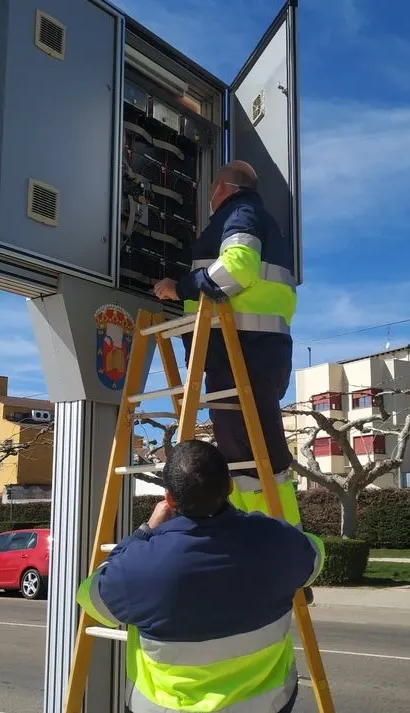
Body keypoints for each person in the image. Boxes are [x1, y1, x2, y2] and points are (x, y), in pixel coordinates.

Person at [76, 439, 325, 713]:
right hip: (267, 703)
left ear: (169, 500)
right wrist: (252, 522)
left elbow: (91, 599)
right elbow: (315, 556)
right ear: (230, 486)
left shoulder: (138, 565)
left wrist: (144, 532)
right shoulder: (278, 540)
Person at [152, 161, 302, 529]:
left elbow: (237, 268)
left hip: (242, 353)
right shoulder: (256, 217)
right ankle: (263, 543)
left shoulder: (240, 212)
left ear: (222, 188)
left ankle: (280, 547)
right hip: (255, 353)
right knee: (246, 453)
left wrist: (182, 287)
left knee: (250, 455)